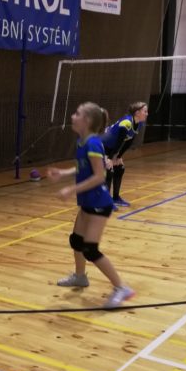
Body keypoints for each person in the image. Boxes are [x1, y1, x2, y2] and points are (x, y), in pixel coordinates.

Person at [48, 101, 135, 309]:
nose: (72, 116)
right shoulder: (83, 141)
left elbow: (99, 176)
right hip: (87, 201)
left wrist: (71, 189)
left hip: (98, 203)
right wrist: (64, 173)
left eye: (77, 114)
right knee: (76, 241)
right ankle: (80, 277)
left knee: (90, 250)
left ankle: (121, 288)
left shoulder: (93, 144)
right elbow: (83, 166)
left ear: (86, 121)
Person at [101, 101, 148, 207]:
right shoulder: (126, 123)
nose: (147, 114)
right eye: (145, 111)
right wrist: (111, 158)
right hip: (102, 145)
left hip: (111, 147)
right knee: (109, 169)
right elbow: (119, 142)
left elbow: (128, 142)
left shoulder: (139, 123)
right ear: (137, 113)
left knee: (120, 167)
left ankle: (116, 198)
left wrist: (119, 157)